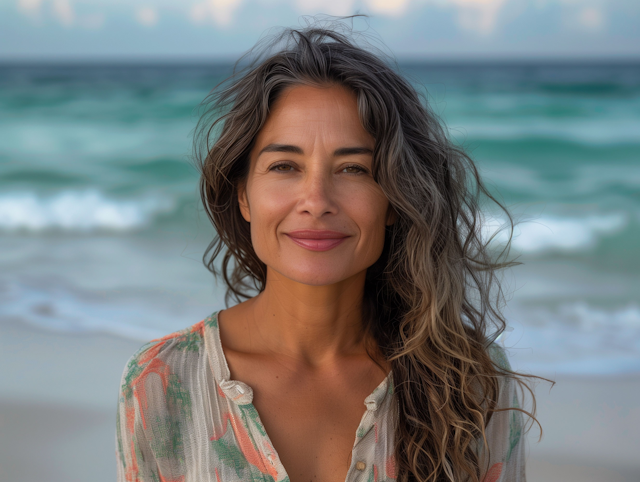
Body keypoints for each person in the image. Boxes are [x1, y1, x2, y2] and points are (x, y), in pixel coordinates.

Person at [116, 19, 541, 482]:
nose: (316, 201)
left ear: (395, 200)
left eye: (354, 169)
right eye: (284, 165)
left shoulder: (468, 380)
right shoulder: (162, 381)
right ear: (243, 197)